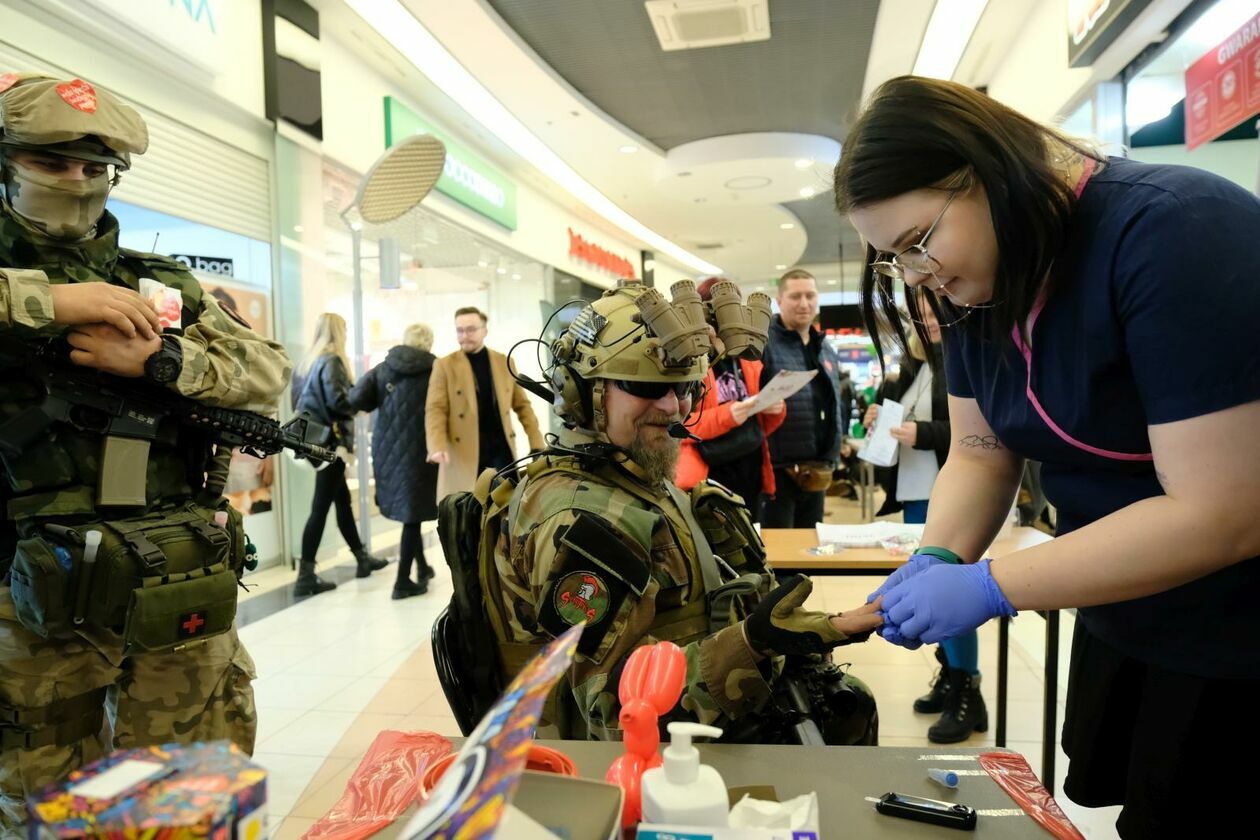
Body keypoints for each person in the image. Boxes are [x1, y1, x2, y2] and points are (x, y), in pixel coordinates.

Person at [836, 75, 1260, 837]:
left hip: (1235, 631)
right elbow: (978, 448)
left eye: (917, 244)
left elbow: (1224, 510)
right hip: (1125, 606)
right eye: (894, 262)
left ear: (986, 169)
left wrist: (995, 584)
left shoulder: (1176, 233)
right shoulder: (979, 289)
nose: (917, 276)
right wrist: (938, 553)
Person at [0, 74, 291, 832]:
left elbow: (268, 370)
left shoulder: (159, 287)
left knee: (187, 789)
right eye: (50, 162)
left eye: (94, 168)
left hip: (172, 576)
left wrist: (164, 365)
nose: (75, 181)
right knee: (45, 801)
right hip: (29, 594)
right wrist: (52, 303)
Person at [479, 280, 883, 743]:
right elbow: (616, 712)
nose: (673, 407)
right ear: (581, 392)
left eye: (685, 386)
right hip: (637, 766)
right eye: (646, 387)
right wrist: (753, 644)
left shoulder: (635, 475)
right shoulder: (580, 519)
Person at [864, 296, 979, 743]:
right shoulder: (911, 368)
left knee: (952, 591)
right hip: (916, 492)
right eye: (922, 312)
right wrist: (876, 416)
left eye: (937, 309)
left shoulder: (967, 359)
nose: (930, 319)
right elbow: (889, 418)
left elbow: (981, 436)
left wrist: (922, 433)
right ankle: (953, 679)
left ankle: (966, 687)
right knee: (929, 588)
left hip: (955, 494)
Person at [291, 312, 387, 596]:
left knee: (341, 501)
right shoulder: (331, 361)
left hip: (313, 441)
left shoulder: (305, 363)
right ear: (338, 332)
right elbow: (339, 402)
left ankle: (362, 558)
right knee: (320, 507)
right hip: (330, 444)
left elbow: (299, 402)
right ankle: (305, 575)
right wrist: (363, 400)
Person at [675, 278, 786, 521]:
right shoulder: (688, 363)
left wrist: (773, 409)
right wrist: (729, 415)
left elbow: (761, 426)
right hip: (708, 472)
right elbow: (678, 427)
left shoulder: (749, 358)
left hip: (750, 466)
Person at [350, 323, 440, 600]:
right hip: (423, 450)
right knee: (412, 512)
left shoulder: (383, 367)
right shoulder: (437, 369)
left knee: (408, 510)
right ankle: (402, 582)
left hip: (387, 449)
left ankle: (422, 568)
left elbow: (357, 399)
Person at [425, 306, 545, 501]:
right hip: (464, 452)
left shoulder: (503, 361)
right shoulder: (444, 365)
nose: (465, 335)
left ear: (484, 330)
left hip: (501, 449)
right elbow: (435, 409)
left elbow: (522, 405)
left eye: (471, 329)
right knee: (468, 512)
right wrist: (436, 444)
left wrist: (536, 441)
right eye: (460, 330)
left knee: (508, 508)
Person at [759, 270, 845, 527]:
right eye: (795, 296)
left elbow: (833, 402)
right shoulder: (764, 343)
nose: (804, 303)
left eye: (810, 295)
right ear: (780, 300)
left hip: (817, 470)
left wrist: (836, 449)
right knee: (779, 553)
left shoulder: (825, 348)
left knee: (810, 549)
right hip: (777, 471)